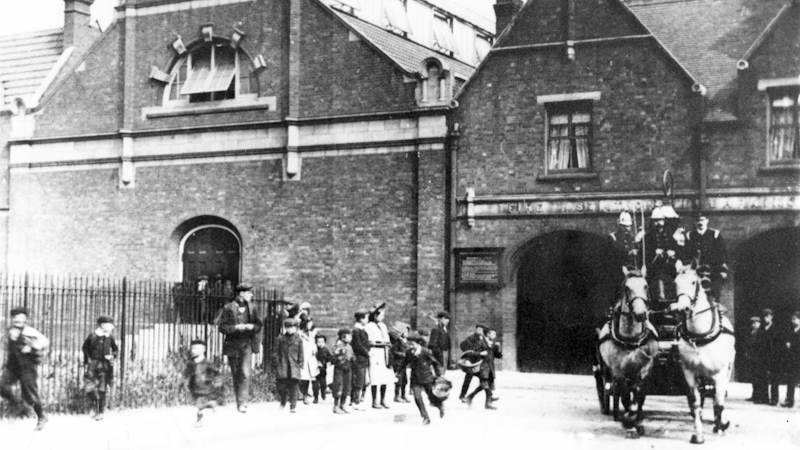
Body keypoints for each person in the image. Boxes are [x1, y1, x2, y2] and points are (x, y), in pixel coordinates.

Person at [0, 307, 49, 430]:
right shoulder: (8, 332)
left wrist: (32, 347)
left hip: (27, 367)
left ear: (25, 319)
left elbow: (45, 341)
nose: (18, 320)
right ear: (12, 319)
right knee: (1, 385)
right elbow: (4, 347)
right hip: (12, 366)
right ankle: (16, 404)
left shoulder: (30, 331)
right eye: (16, 317)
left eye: (21, 317)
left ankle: (41, 416)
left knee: (30, 394)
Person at [218, 283, 263, 413]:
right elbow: (222, 327)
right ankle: (239, 401)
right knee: (236, 374)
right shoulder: (228, 308)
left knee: (245, 373)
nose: (251, 295)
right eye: (249, 292)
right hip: (232, 345)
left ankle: (243, 402)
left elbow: (259, 325)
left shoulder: (253, 308)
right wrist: (235, 328)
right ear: (241, 293)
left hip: (246, 344)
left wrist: (251, 327)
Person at [684, 213, 729, 301]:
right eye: (698, 221)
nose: (700, 223)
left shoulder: (714, 234)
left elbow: (722, 254)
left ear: (707, 221)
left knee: (714, 292)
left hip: (712, 271)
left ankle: (716, 309)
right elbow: (686, 254)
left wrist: (722, 270)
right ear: (694, 222)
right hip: (695, 271)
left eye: (702, 220)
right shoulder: (690, 236)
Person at [81, 315, 118, 421]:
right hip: (93, 365)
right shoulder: (92, 336)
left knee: (102, 388)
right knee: (89, 387)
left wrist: (112, 356)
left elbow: (115, 349)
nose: (112, 327)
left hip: (105, 366)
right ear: (102, 325)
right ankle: (94, 406)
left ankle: (100, 411)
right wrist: (88, 359)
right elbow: (84, 348)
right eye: (109, 324)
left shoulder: (109, 337)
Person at [405, 332, 445, 425]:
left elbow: (435, 362)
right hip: (415, 379)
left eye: (412, 344)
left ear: (417, 343)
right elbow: (404, 363)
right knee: (417, 398)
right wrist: (398, 373)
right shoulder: (409, 352)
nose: (411, 346)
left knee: (431, 398)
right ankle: (425, 417)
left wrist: (439, 374)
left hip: (427, 378)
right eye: (409, 344)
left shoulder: (425, 351)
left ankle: (440, 406)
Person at [183, 339, 224, 426]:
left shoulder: (208, 363)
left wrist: (217, 383)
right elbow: (186, 376)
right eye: (192, 348)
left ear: (203, 349)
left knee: (200, 405)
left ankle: (205, 413)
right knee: (197, 405)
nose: (194, 351)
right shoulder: (190, 364)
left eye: (197, 348)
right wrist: (186, 384)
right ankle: (206, 409)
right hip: (195, 390)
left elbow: (217, 375)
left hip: (207, 389)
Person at [644, 205, 680, 302]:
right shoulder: (647, 237)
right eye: (655, 221)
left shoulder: (670, 235)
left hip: (670, 267)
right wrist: (653, 252)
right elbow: (643, 255)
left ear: (664, 221)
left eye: (660, 220)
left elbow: (677, 250)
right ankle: (661, 297)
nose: (658, 223)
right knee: (659, 275)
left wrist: (673, 253)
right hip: (654, 267)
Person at [464, 327, 502, 410]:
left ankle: (470, 397)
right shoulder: (481, 342)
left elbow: (498, 356)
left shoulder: (493, 344)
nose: (495, 336)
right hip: (482, 367)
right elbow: (472, 353)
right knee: (485, 384)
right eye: (493, 334)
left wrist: (498, 349)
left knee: (484, 385)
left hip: (490, 368)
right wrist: (480, 353)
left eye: (495, 334)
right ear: (488, 334)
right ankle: (488, 402)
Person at [365, 302, 394, 409]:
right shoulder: (369, 326)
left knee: (384, 377)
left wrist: (387, 344)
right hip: (375, 353)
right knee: (375, 378)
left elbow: (387, 339)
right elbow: (368, 341)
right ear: (375, 315)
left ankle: (383, 399)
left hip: (384, 353)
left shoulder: (383, 326)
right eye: (381, 315)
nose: (383, 317)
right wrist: (379, 343)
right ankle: (374, 401)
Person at [275, 318, 303, 413]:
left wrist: (301, 362)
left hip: (294, 365)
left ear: (295, 328)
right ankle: (283, 400)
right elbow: (276, 352)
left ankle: (293, 406)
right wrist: (277, 362)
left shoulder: (298, 339)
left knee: (294, 386)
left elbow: (301, 352)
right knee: (281, 386)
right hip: (283, 365)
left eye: (292, 327)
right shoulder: (280, 338)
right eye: (287, 327)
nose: (289, 329)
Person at [758, 308, 781, 405]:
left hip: (774, 357)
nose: (765, 318)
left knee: (774, 379)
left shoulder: (776, 329)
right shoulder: (761, 329)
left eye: (767, 316)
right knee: (763, 378)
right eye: (764, 316)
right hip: (763, 357)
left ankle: (774, 399)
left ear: (771, 317)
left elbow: (778, 344)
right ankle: (764, 398)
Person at [458, 324, 485, 402]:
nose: (480, 331)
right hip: (470, 362)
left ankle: (488, 396)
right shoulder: (471, 338)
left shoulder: (482, 339)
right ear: (476, 330)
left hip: (478, 363)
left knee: (484, 379)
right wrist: (467, 352)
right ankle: (462, 395)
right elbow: (463, 346)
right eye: (478, 329)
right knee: (468, 378)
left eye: (481, 330)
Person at [350, 309, 370, 411]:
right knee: (359, 380)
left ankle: (355, 400)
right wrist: (367, 352)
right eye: (366, 318)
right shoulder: (356, 330)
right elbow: (358, 345)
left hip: (363, 358)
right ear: (361, 319)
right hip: (359, 358)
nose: (367, 319)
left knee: (361, 380)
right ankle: (355, 401)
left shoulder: (361, 329)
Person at [331, 328, 355, 414]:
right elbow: (334, 358)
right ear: (343, 337)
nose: (350, 338)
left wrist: (352, 360)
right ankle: (336, 406)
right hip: (339, 369)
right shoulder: (338, 346)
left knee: (346, 387)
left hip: (348, 369)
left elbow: (352, 356)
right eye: (349, 336)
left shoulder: (349, 346)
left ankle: (343, 404)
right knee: (338, 386)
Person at [743, 316, 765, 403]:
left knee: (759, 377)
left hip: (759, 358)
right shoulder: (751, 332)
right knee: (753, 377)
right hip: (752, 357)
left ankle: (759, 396)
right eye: (752, 323)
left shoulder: (761, 332)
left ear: (759, 323)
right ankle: (755, 395)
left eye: (756, 323)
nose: (754, 324)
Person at [298, 317, 318, 405]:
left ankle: (306, 394)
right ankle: (302, 394)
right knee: (303, 376)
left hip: (310, 357)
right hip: (303, 356)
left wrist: (315, 349)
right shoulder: (299, 334)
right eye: (309, 323)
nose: (311, 325)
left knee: (309, 377)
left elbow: (313, 344)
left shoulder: (311, 334)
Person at [389, 321, 411, 403]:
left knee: (405, 380)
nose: (407, 333)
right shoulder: (398, 341)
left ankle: (403, 395)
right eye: (405, 331)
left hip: (404, 363)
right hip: (398, 363)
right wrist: (402, 354)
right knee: (399, 380)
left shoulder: (406, 341)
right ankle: (396, 396)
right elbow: (394, 351)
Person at [782, 311, 800, 408]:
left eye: (795, 319)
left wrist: (791, 345)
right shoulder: (792, 330)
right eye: (792, 319)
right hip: (792, 360)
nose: (793, 321)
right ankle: (789, 400)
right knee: (791, 381)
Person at [313, 334, 332, 404]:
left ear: (324, 342)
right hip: (315, 368)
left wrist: (328, 363)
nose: (320, 344)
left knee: (323, 384)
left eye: (322, 342)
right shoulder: (315, 349)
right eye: (318, 342)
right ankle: (316, 397)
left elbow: (330, 358)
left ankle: (323, 395)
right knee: (315, 384)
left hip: (323, 369)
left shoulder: (326, 349)